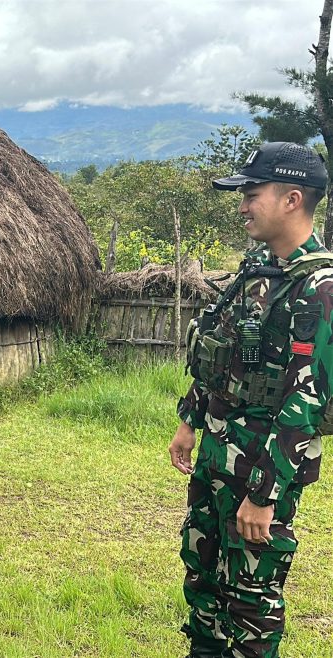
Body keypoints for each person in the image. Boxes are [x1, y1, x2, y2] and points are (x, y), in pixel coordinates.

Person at [171, 142, 331, 658]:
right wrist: (190, 419)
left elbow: (305, 404)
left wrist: (263, 495)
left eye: (252, 194)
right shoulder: (259, 269)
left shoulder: (320, 288)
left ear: (291, 199)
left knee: (250, 601)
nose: (242, 205)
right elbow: (218, 353)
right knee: (203, 581)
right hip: (218, 453)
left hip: (265, 468)